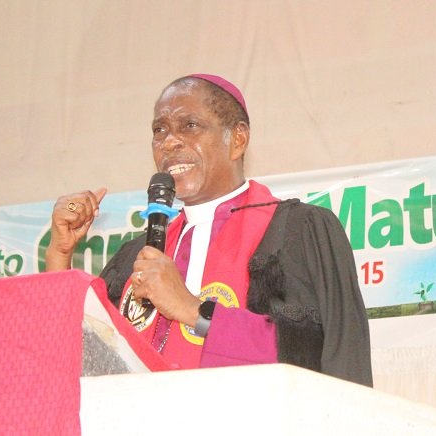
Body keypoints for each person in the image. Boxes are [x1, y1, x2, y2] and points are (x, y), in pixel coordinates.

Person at [46, 74, 373, 386]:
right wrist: (60, 257)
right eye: (159, 130)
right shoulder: (136, 255)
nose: (169, 142)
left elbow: (312, 357)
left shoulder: (297, 230)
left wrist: (192, 309)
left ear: (238, 140)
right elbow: (84, 356)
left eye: (189, 125)